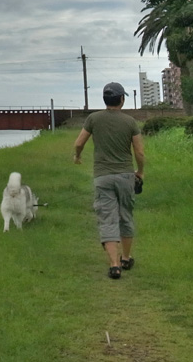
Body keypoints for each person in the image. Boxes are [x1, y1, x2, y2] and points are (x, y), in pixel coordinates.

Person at [73, 81, 145, 280]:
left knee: (107, 218)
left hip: (102, 176)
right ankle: (126, 258)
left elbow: (79, 143)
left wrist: (77, 156)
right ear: (121, 99)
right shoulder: (130, 122)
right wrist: (140, 171)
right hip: (125, 176)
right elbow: (139, 152)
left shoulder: (93, 119)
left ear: (105, 99)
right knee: (125, 215)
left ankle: (114, 266)